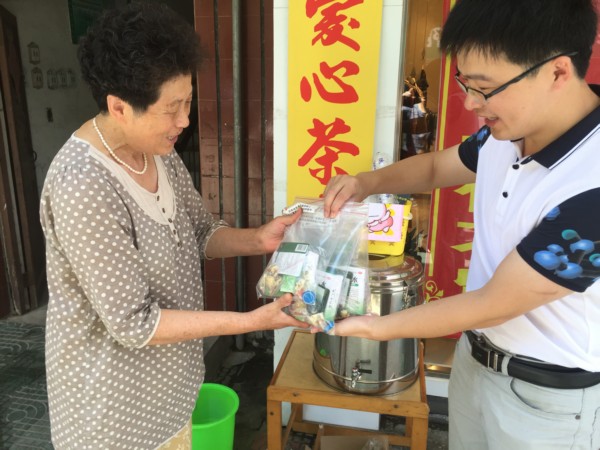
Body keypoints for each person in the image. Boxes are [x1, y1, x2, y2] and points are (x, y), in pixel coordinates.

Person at [323, 0, 600, 448]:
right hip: (474, 361)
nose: (471, 103)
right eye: (465, 83)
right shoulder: (506, 132)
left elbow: (495, 303)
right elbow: (437, 168)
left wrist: (373, 326)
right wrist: (365, 183)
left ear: (557, 72)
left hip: (547, 402)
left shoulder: (592, 183)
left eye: (485, 88)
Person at [39, 3, 306, 448]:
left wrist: (259, 239)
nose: (185, 120)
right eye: (172, 108)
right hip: (114, 421)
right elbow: (134, 324)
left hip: (172, 401)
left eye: (188, 101)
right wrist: (249, 321)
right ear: (119, 107)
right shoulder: (83, 185)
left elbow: (201, 233)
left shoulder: (158, 153)